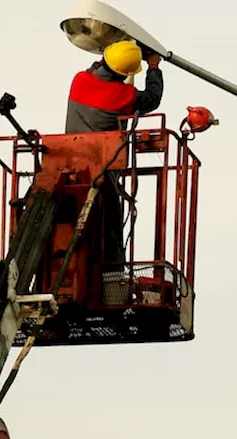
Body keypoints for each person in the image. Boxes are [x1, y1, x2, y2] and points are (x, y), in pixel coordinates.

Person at [64, 41, 164, 268]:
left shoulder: (79, 80)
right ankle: (114, 272)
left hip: (68, 163)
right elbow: (151, 99)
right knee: (110, 228)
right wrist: (154, 66)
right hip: (102, 172)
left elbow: (96, 69)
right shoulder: (124, 95)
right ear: (125, 74)